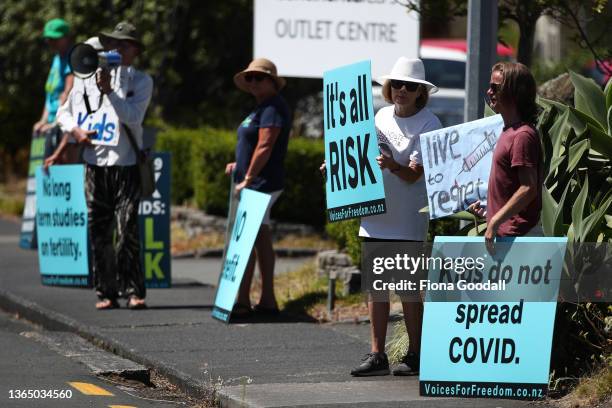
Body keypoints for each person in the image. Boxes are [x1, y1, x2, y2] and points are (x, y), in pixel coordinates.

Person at [321, 57, 441, 376]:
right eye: (397, 84)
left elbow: (415, 174)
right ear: (388, 88)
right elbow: (360, 155)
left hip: (407, 220)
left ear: (420, 92)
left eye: (410, 86)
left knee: (408, 290)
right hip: (375, 217)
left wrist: (392, 166)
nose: (402, 90)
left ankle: (416, 354)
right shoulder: (380, 115)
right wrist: (336, 168)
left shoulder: (430, 123)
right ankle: (377, 354)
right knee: (376, 289)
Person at [55, 22, 153, 310]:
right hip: (95, 164)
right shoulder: (86, 79)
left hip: (126, 164)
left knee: (127, 231)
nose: (117, 49)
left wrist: (110, 92)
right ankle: (106, 292)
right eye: (113, 43)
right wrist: (76, 132)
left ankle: (133, 289)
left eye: (124, 45)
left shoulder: (141, 81)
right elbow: (63, 114)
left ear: (135, 50)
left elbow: (133, 117)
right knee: (99, 232)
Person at [225, 58, 291, 317]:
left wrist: (248, 178)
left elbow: (266, 145)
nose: (253, 82)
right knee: (259, 237)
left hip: (262, 183)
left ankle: (242, 301)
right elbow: (253, 145)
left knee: (247, 238)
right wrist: (238, 165)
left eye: (259, 78)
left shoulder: (273, 107)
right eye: (249, 78)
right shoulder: (263, 107)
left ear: (272, 82)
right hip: (258, 182)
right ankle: (267, 301)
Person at [468, 62, 542, 249]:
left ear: (514, 92)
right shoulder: (509, 132)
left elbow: (528, 188)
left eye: (495, 87)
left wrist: (495, 222)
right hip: (506, 237)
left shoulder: (522, 135)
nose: (489, 91)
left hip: (519, 240)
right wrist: (489, 214)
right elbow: (511, 188)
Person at [34, 18, 74, 156]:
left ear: (67, 38)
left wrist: (56, 123)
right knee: (46, 172)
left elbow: (68, 93)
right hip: (49, 125)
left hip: (62, 126)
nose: (51, 43)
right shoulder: (57, 59)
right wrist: (43, 121)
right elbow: (50, 95)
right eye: (49, 39)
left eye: (55, 39)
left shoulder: (72, 58)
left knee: (60, 171)